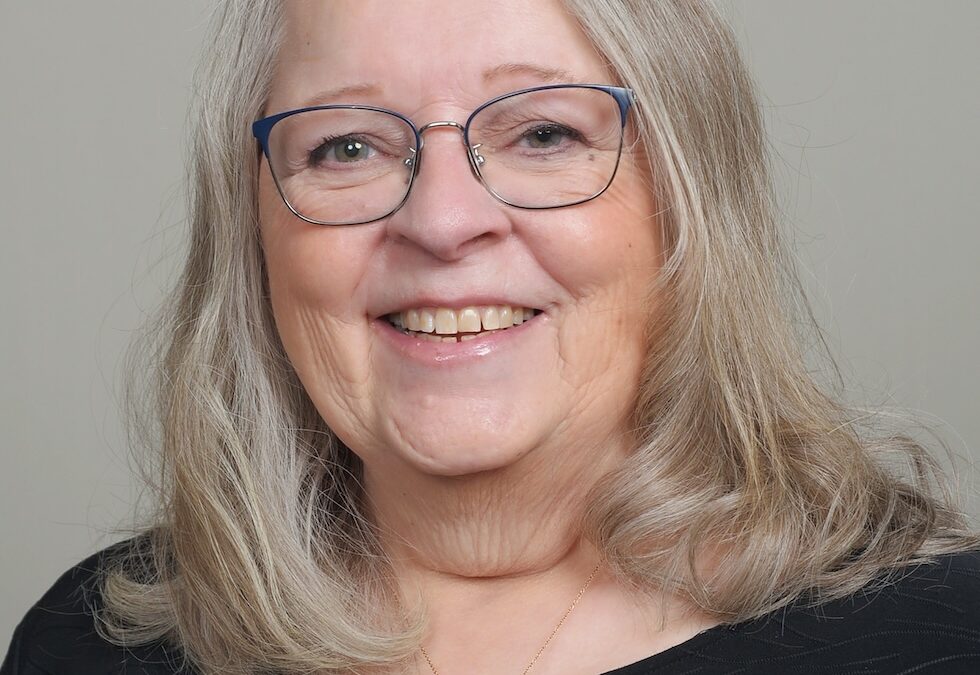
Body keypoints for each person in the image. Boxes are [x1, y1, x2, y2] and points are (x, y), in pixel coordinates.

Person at [3, 1, 979, 674]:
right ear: (251, 233)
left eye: (543, 134)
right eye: (347, 145)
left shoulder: (939, 639)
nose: (440, 221)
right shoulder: (90, 646)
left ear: (686, 202)